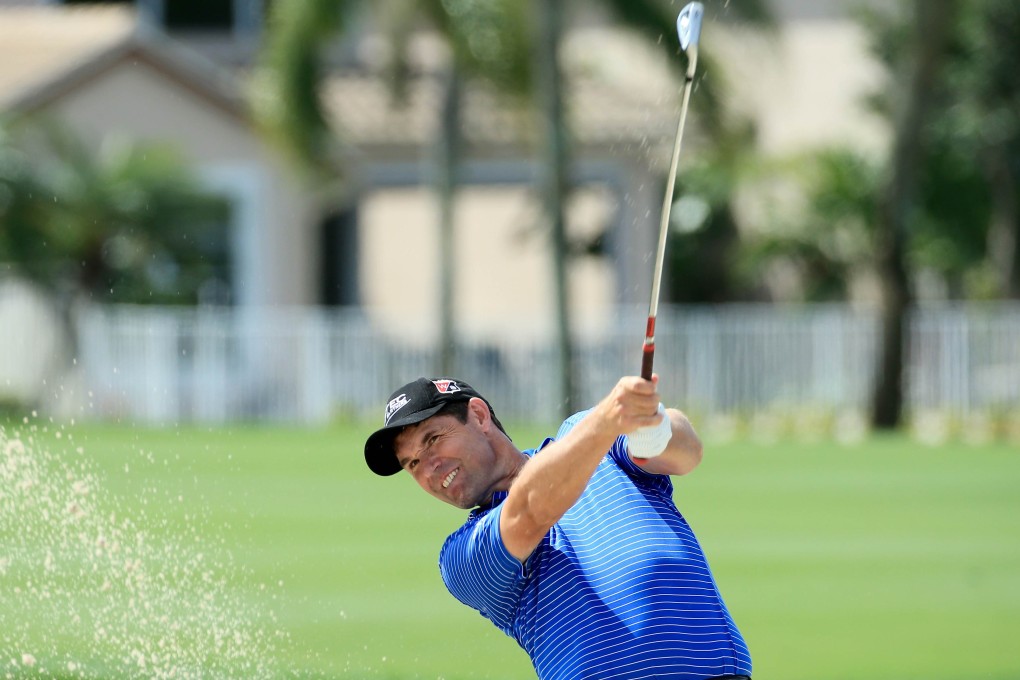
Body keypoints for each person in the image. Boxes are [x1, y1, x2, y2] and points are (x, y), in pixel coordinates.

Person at [364, 375, 751, 680]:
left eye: (433, 440)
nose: (428, 467)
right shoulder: (462, 558)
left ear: (479, 417)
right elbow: (531, 509)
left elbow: (687, 451)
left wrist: (651, 423)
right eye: (412, 464)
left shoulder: (584, 432)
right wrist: (607, 420)